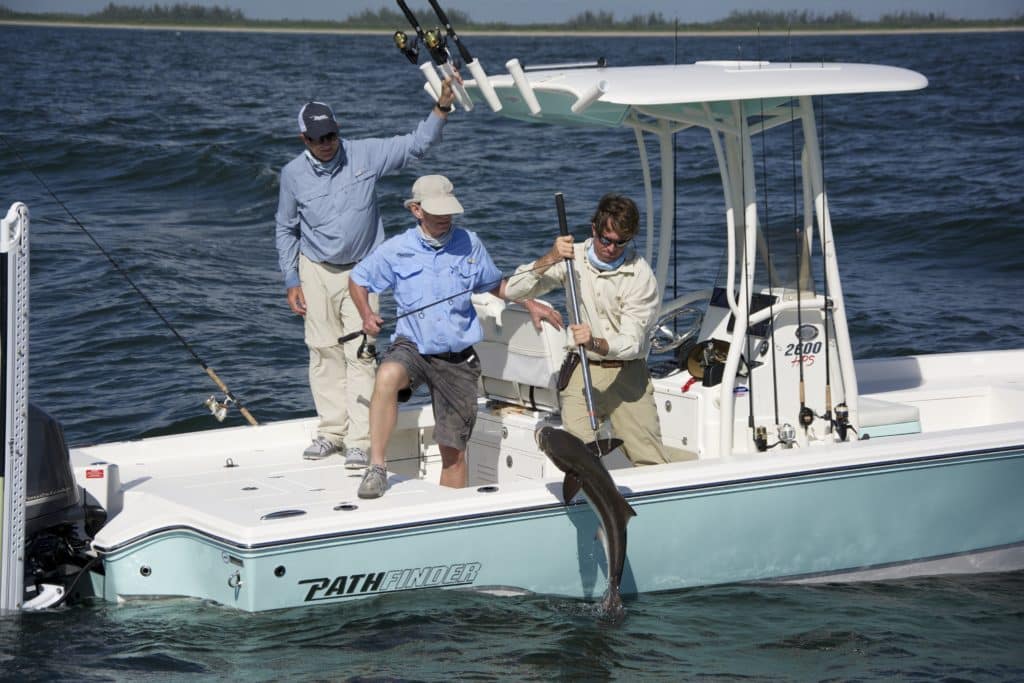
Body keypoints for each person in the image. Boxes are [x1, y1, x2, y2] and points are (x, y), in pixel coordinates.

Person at [274, 79, 457, 467]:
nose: (327, 143)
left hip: (363, 272)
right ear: (303, 138)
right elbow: (286, 228)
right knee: (323, 353)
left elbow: (416, 145)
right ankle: (330, 432)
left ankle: (359, 440)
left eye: (332, 134)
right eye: (318, 137)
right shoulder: (292, 175)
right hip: (315, 270)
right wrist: (291, 278)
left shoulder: (365, 155)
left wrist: (441, 108)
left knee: (362, 354)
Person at [349, 175, 559, 498]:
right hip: (413, 347)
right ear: (416, 210)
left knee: (454, 454)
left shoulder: (470, 243)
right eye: (436, 212)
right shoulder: (397, 250)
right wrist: (366, 314)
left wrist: (530, 303)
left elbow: (497, 284)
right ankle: (377, 467)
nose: (445, 218)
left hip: (458, 357)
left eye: (449, 211)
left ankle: (448, 513)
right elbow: (358, 279)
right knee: (388, 374)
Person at [504, 193, 676, 466]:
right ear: (593, 229)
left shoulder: (640, 275)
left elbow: (631, 343)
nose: (611, 248)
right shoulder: (572, 258)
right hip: (582, 371)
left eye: (621, 243)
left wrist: (595, 342)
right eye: (606, 240)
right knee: (578, 459)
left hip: (627, 373)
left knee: (649, 460)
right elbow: (513, 289)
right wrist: (549, 258)